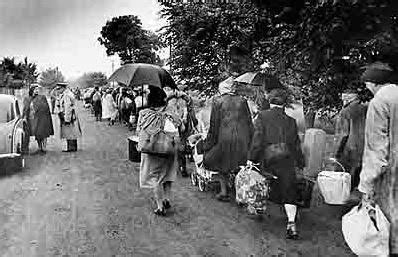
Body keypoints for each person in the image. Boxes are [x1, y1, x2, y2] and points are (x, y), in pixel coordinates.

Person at [247, 88, 305, 240]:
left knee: (260, 181)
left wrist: (251, 159)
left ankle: (258, 209)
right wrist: (300, 163)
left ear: (270, 101)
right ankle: (291, 223)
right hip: (286, 160)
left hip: (267, 160)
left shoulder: (262, 116)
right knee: (289, 189)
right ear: (284, 104)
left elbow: (257, 140)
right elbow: (295, 145)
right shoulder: (291, 121)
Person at [358, 62, 398, 256]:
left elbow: (376, 150)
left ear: (373, 82)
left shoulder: (380, 102)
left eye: (366, 83)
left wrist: (366, 185)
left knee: (388, 221)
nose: (366, 87)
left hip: (391, 173)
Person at [196, 82, 254, 202]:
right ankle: (240, 190)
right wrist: (251, 141)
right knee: (239, 163)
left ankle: (224, 192)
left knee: (220, 161)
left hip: (225, 140)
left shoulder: (218, 101)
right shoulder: (243, 101)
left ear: (222, 89)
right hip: (243, 140)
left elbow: (214, 126)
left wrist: (206, 144)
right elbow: (249, 123)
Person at [137, 86, 181, 216]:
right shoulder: (170, 113)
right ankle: (167, 198)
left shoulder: (145, 114)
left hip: (151, 150)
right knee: (167, 174)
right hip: (169, 149)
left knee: (155, 178)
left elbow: (139, 131)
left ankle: (160, 206)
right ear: (163, 100)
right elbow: (180, 128)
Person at [335, 89, 368, 190]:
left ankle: (342, 200)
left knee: (344, 179)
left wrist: (336, 152)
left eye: (343, 98)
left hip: (349, 149)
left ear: (347, 98)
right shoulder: (366, 109)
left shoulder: (345, 112)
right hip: (365, 148)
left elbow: (343, 134)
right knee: (359, 179)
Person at [24, 85, 54, 154]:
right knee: (37, 134)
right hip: (32, 119)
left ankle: (43, 148)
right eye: (35, 89)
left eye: (37, 89)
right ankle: (39, 147)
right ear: (32, 90)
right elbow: (25, 109)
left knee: (43, 133)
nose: (37, 91)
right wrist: (25, 117)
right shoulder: (28, 98)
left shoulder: (42, 97)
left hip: (42, 118)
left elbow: (45, 107)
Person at [58, 82, 82, 152]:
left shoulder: (66, 95)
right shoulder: (69, 93)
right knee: (73, 131)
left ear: (63, 88)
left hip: (69, 115)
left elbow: (67, 107)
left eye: (59, 89)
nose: (58, 90)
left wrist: (67, 119)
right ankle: (73, 147)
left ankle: (71, 148)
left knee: (69, 131)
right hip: (72, 114)